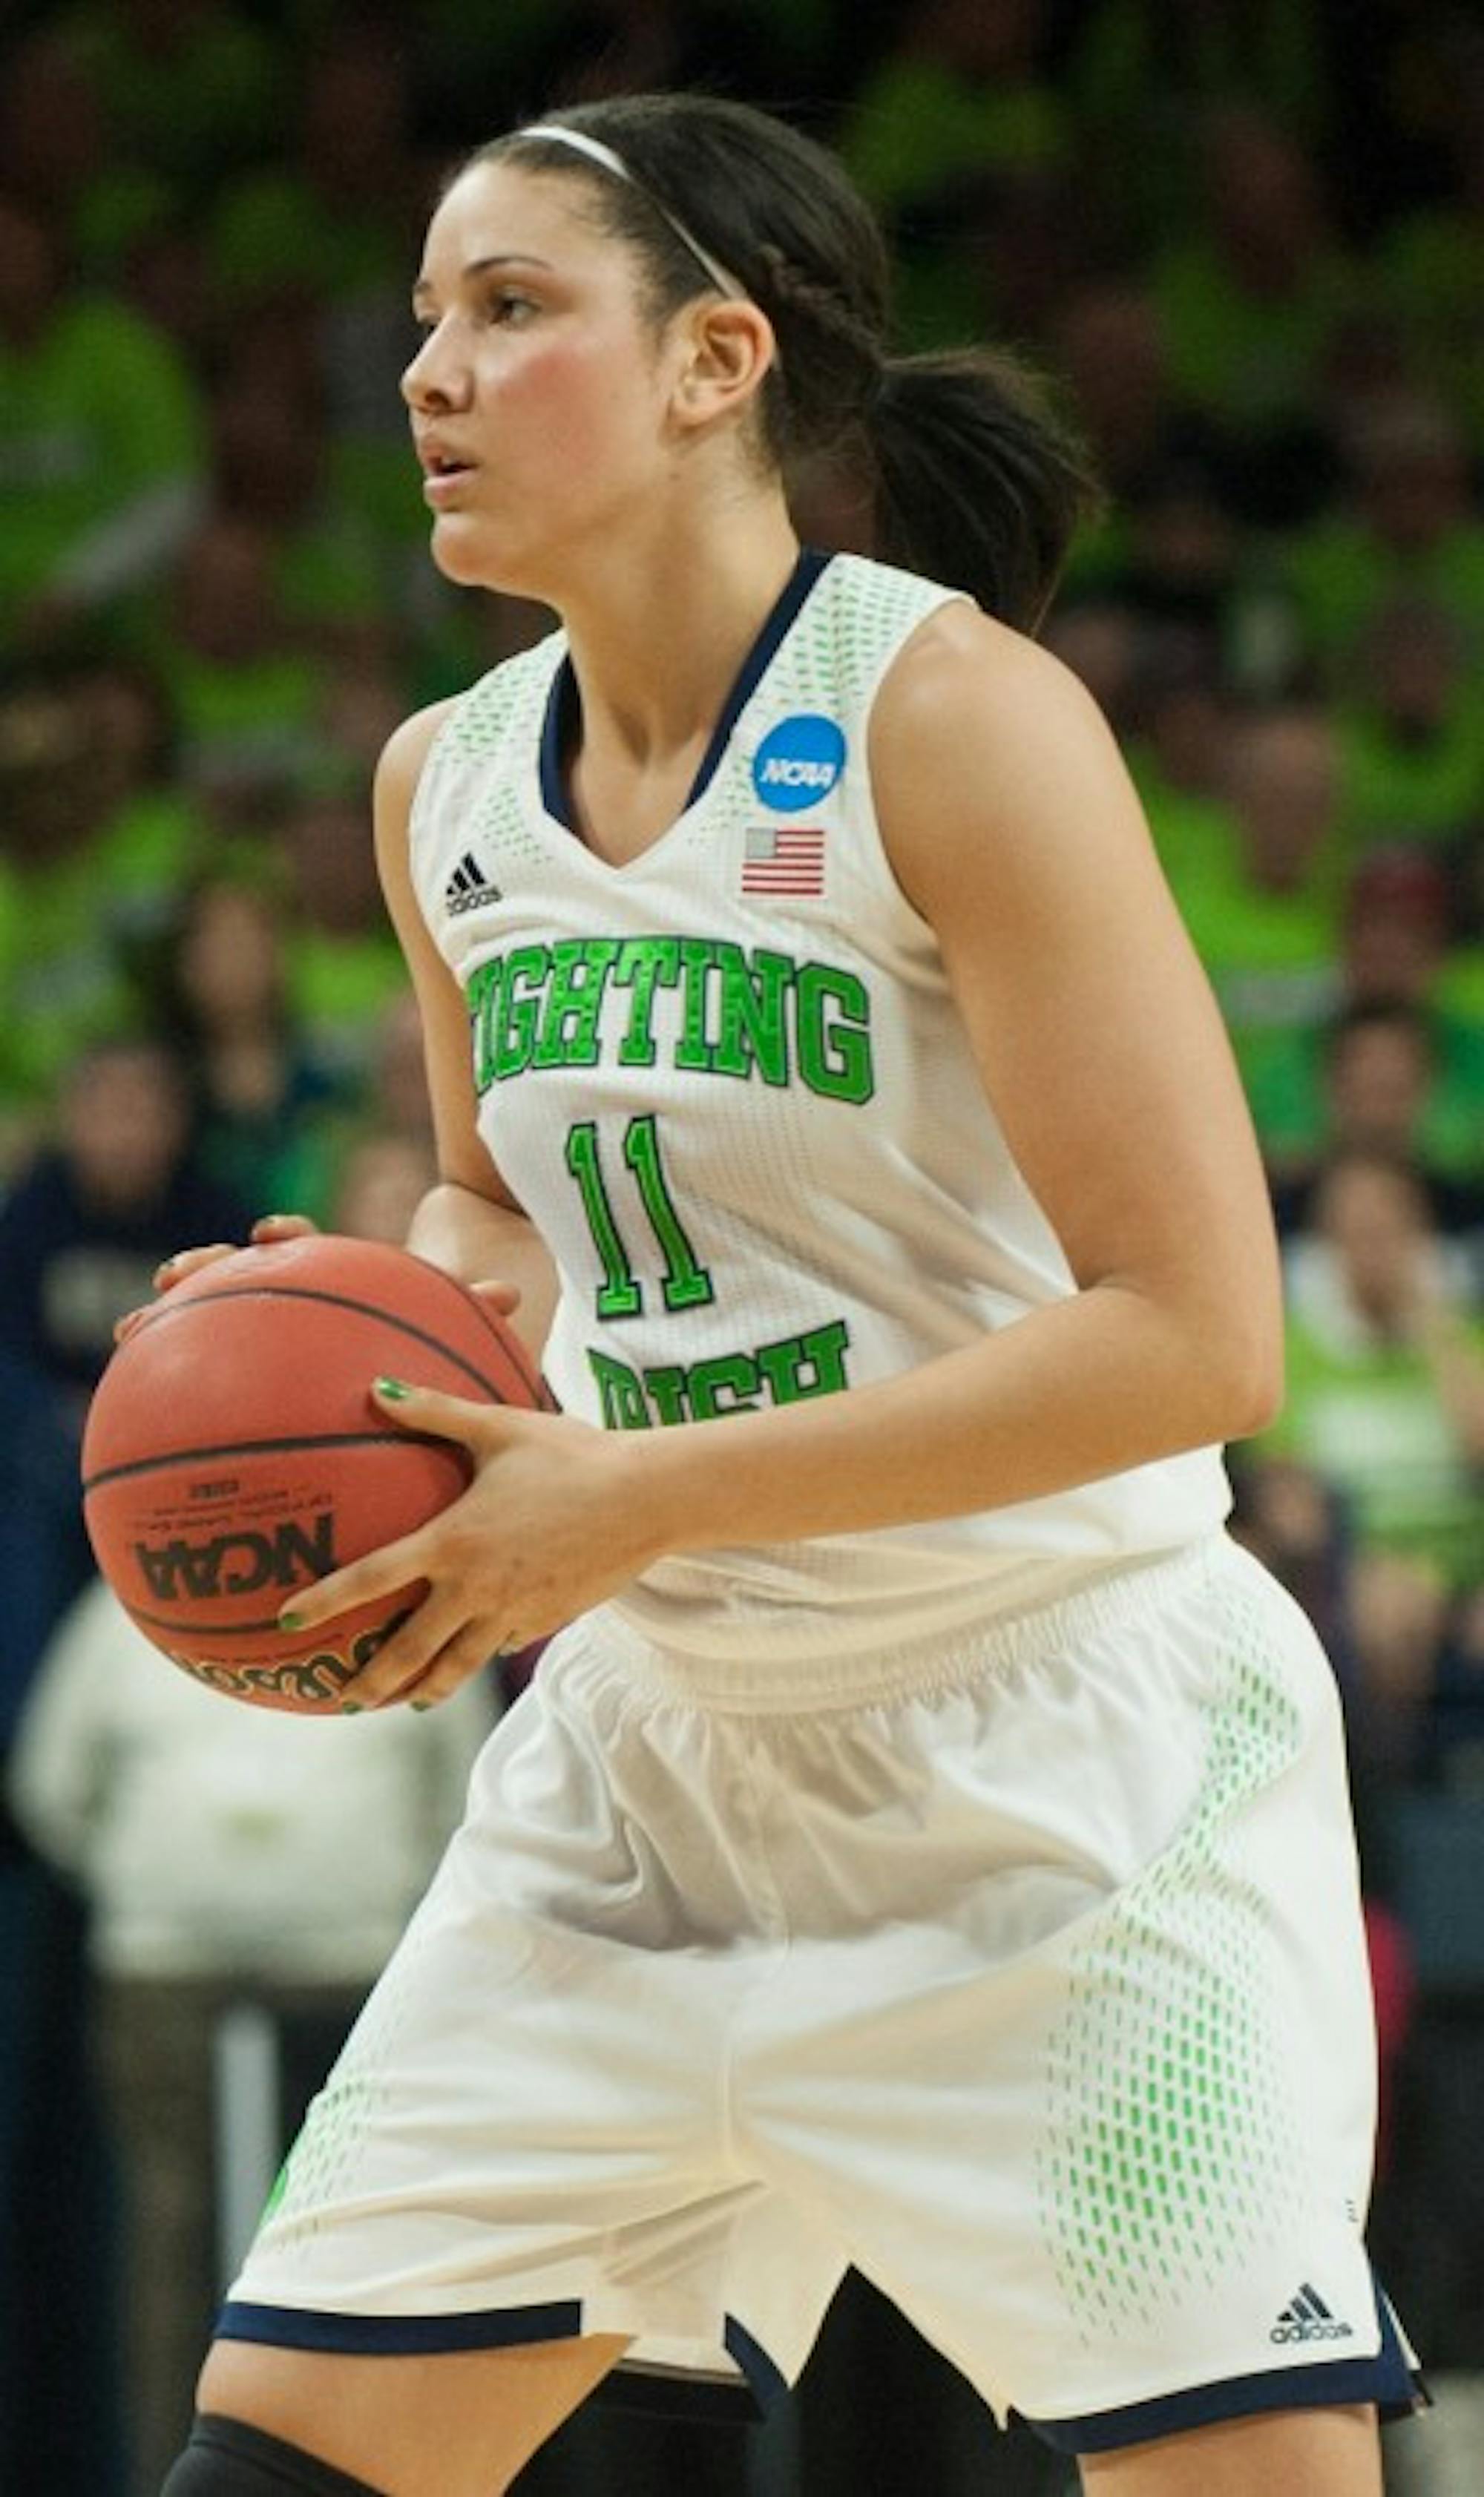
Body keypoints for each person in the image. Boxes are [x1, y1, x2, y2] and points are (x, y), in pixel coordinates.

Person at [148, 93, 1419, 2497]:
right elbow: (493, 1204)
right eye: (424, 317)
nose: (427, 370)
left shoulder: (956, 720)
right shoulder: (445, 788)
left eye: (510, 309)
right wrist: (360, 1327)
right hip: (656, 1762)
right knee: (281, 2455)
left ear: (720, 359)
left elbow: (1199, 1339)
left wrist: (629, 1494)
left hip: (1067, 1764)